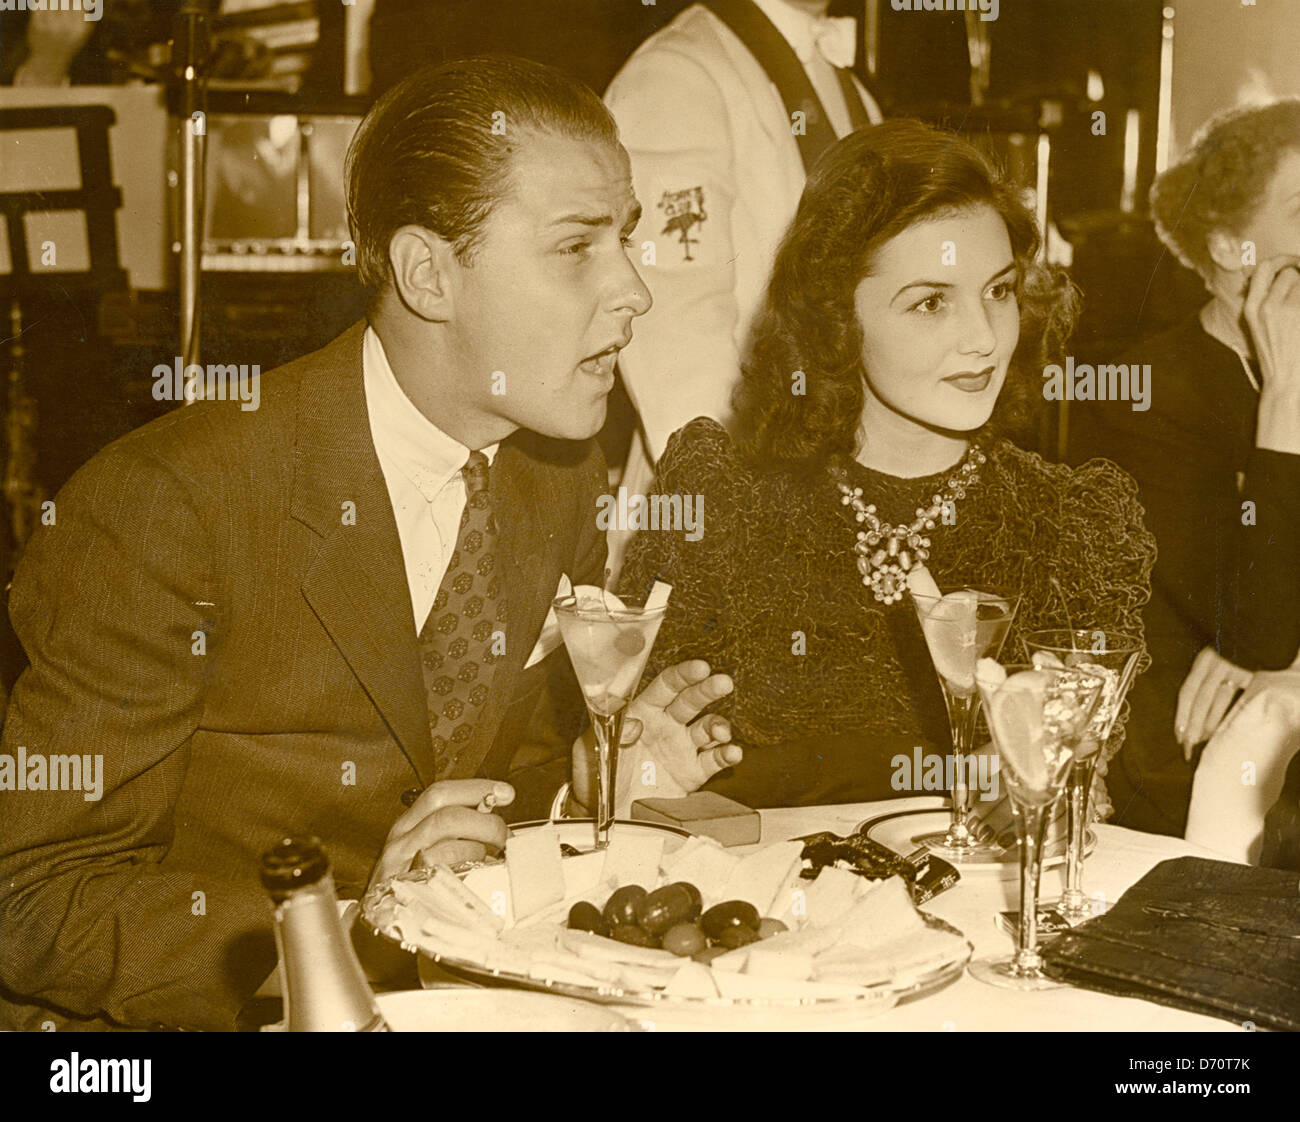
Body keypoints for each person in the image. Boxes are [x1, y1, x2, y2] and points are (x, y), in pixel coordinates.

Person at [0, 56, 741, 1032]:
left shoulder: (552, 475)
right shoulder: (167, 506)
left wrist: (586, 782)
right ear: (428, 273)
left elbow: (471, 784)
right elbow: (33, 899)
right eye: (576, 248)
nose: (634, 292)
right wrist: (348, 930)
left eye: (628, 241)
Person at [619, 120, 1155, 811]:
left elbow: (1080, 793)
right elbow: (642, 781)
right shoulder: (721, 502)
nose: (985, 339)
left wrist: (1059, 785)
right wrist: (622, 785)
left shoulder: (1071, 526)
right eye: (932, 302)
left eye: (998, 291)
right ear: (837, 316)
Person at [1070, 99, 1300, 837]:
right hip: (1192, 773)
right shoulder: (1146, 396)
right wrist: (1286, 416)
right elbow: (1259, 630)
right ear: (1233, 249)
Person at [603, 0, 883, 574]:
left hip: (841, 491)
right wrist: (758, 514)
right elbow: (673, 329)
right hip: (728, 502)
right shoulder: (677, 74)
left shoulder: (850, 87)